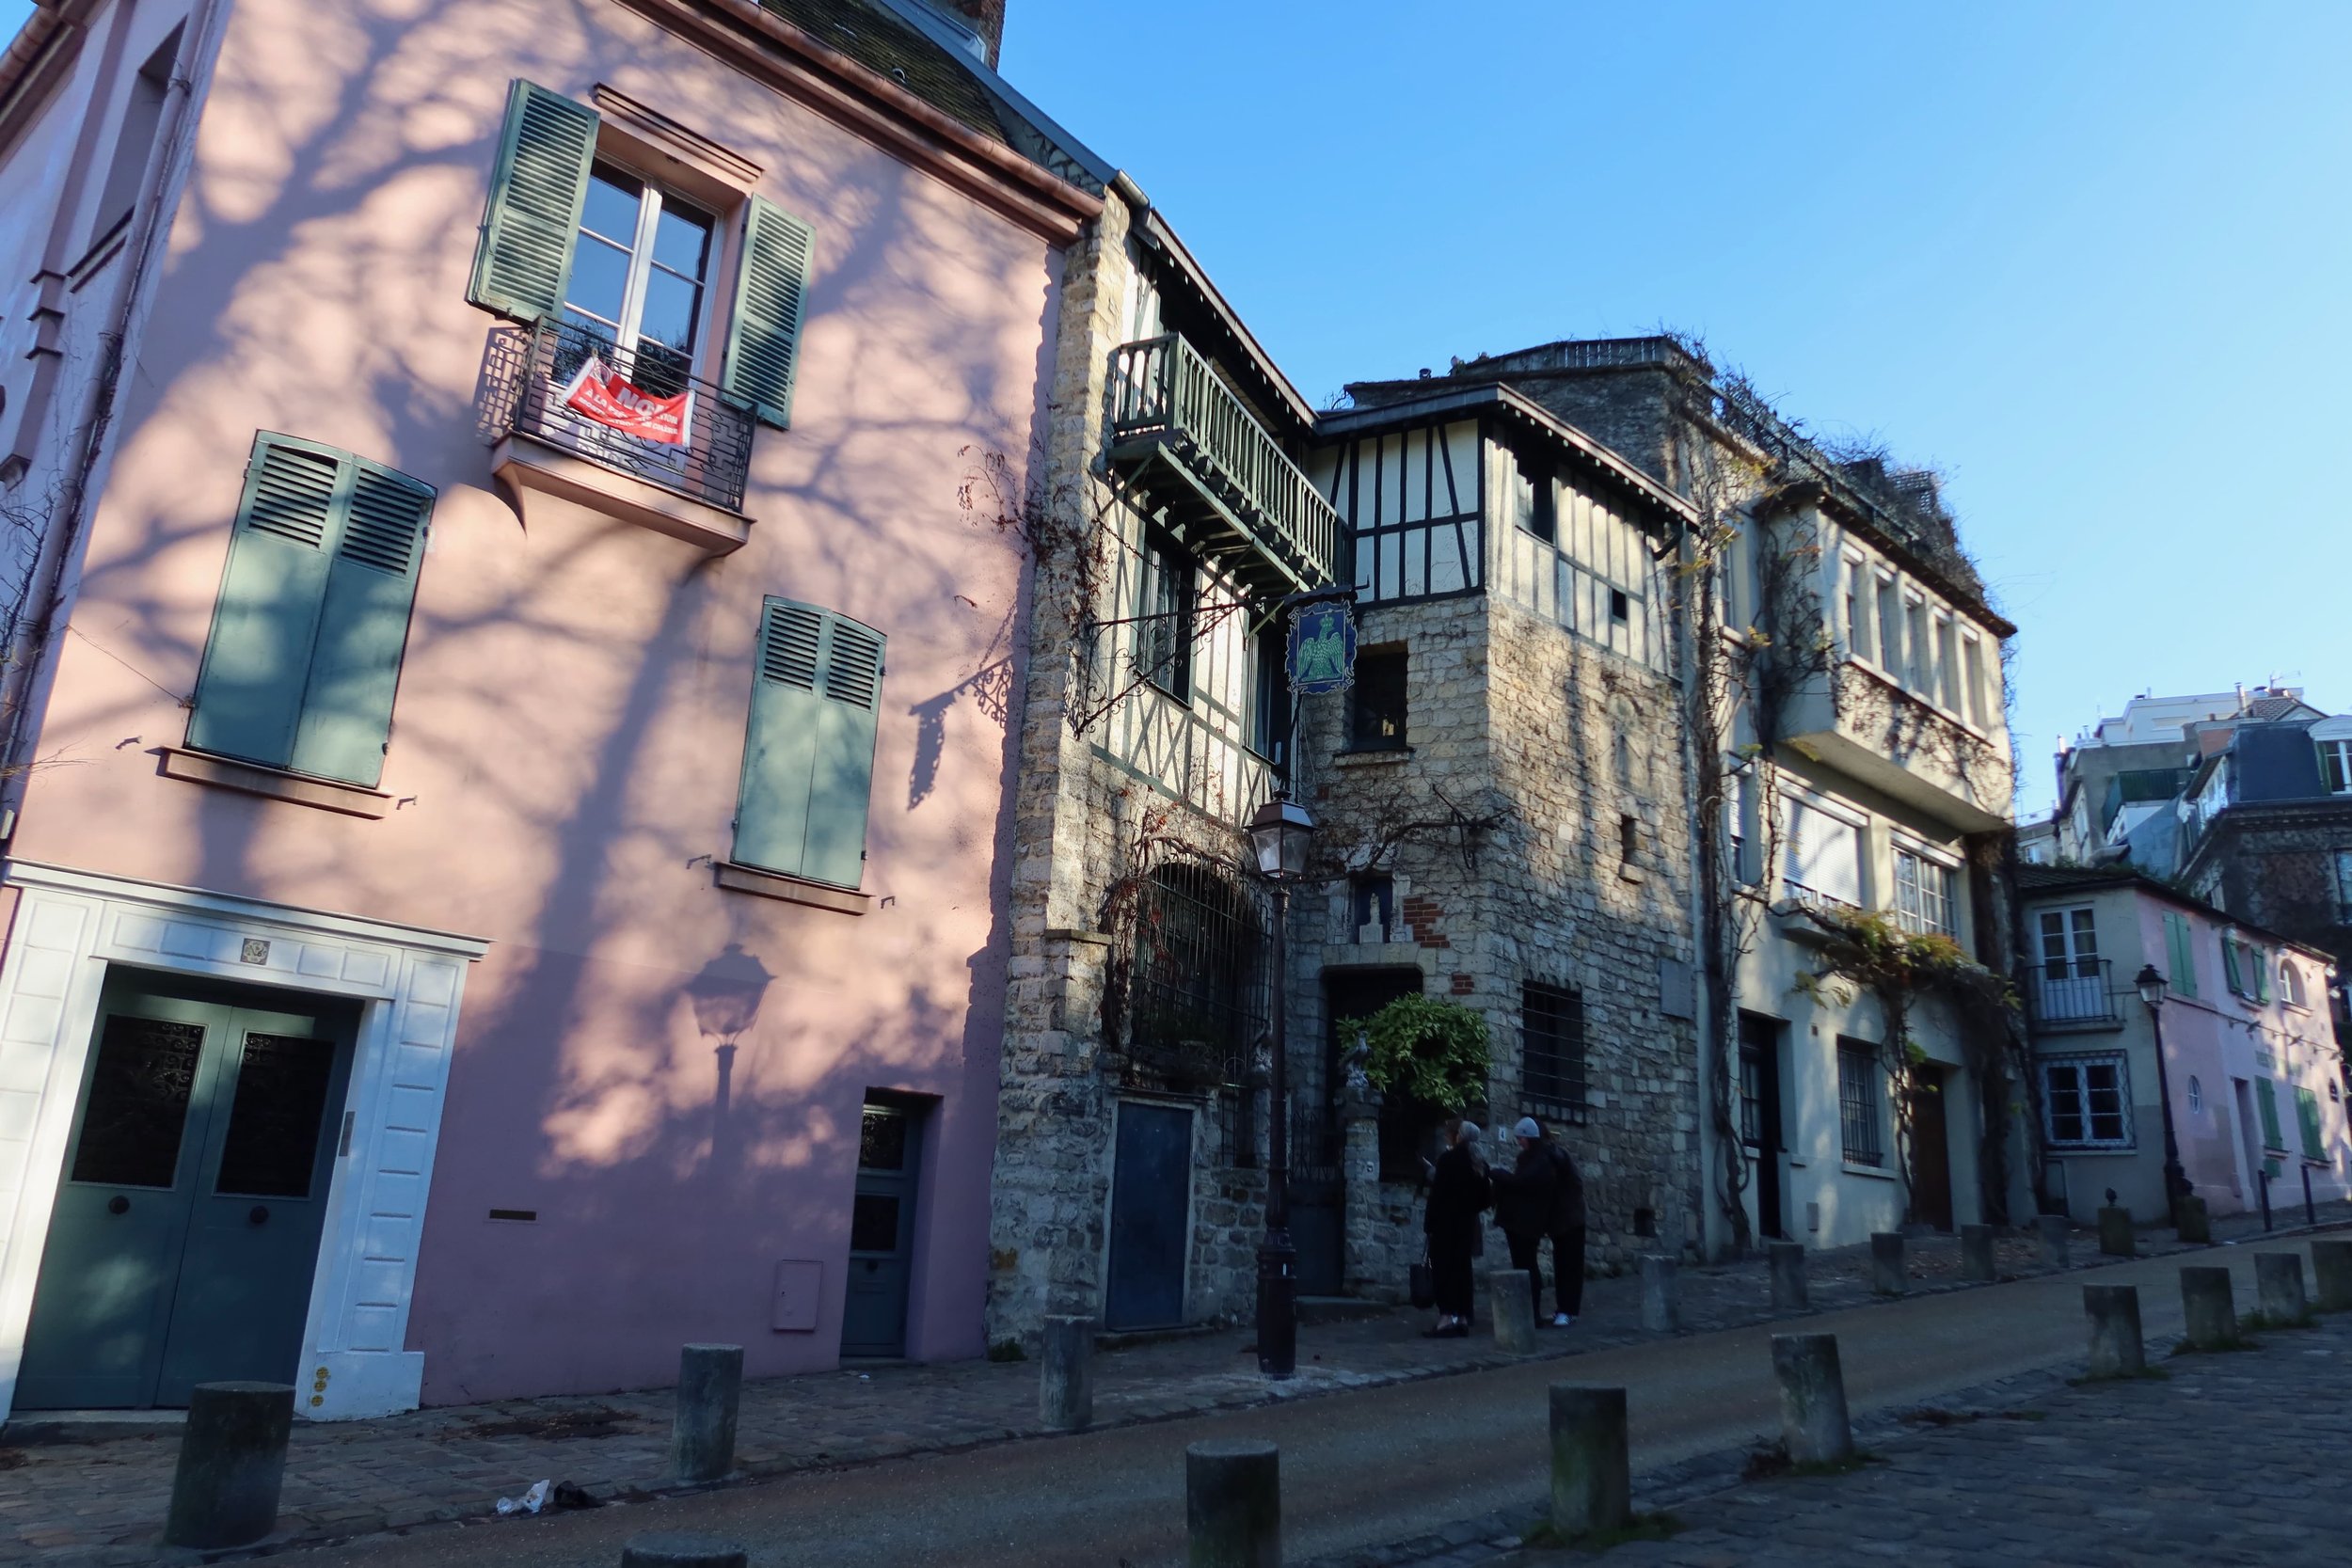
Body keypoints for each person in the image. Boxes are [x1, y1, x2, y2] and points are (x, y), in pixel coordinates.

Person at [1421, 1118, 1490, 1338]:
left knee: (1444, 1270)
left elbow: (1438, 1195)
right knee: (1462, 1270)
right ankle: (1461, 1317)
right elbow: (1486, 1197)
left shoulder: (1449, 1160)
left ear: (1459, 1136)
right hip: (1466, 1224)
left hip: (1446, 1224)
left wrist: (1429, 1224)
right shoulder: (1478, 1162)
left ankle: (1446, 1318)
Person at [1486, 1117, 1558, 1323]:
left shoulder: (1540, 1161)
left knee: (1528, 1266)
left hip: (1528, 1222)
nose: (1519, 1142)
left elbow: (1522, 1183)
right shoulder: (1530, 1159)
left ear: (1530, 1138)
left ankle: (1532, 1312)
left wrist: (1498, 1174)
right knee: (1522, 1265)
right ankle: (1526, 1310)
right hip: (1519, 1221)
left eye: (1522, 1138)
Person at [1544, 1127, 1587, 1327]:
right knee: (1563, 1265)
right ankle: (1564, 1308)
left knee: (1570, 1266)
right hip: (1563, 1220)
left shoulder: (1556, 1156)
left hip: (1570, 1220)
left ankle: (1569, 1310)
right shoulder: (1554, 1155)